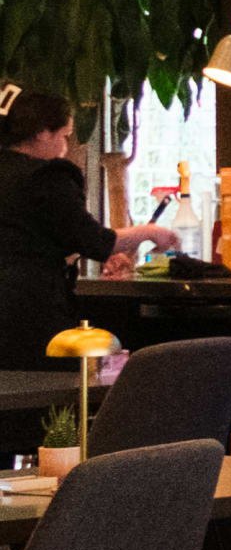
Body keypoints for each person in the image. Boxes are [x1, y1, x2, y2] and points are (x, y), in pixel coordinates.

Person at [0, 84, 180, 374]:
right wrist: (149, 232)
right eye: (65, 136)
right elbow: (95, 240)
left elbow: (30, 235)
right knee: (46, 397)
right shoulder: (46, 175)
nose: (65, 146)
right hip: (29, 311)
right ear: (43, 132)